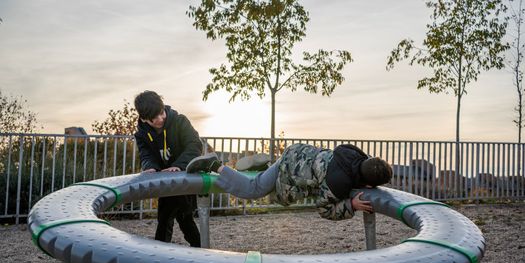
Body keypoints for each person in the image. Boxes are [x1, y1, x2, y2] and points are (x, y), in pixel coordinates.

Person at [186, 143, 392, 220]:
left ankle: (261, 166)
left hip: (296, 153)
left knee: (265, 179)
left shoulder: (353, 154)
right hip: (290, 172)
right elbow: (325, 209)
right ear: (368, 185)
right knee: (253, 189)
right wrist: (351, 205)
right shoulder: (338, 184)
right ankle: (215, 166)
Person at [134, 90, 202, 246]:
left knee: (185, 218)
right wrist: (150, 167)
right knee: (164, 219)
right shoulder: (141, 135)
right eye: (154, 118)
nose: (160, 119)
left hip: (184, 178)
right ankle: (160, 254)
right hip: (165, 182)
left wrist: (178, 166)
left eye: (161, 113)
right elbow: (146, 156)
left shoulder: (180, 121)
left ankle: (200, 250)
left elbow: (195, 145)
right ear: (144, 119)